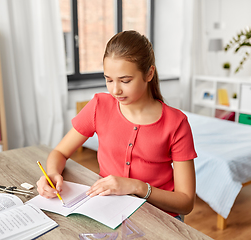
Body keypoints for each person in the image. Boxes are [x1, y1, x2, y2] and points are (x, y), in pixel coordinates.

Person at [37, 30, 197, 220]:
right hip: (109, 208)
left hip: (160, 217)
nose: (115, 90)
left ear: (149, 74)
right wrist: (53, 174)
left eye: (125, 80)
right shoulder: (99, 106)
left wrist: (137, 187)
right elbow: (60, 152)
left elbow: (186, 202)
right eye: (109, 80)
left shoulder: (176, 123)